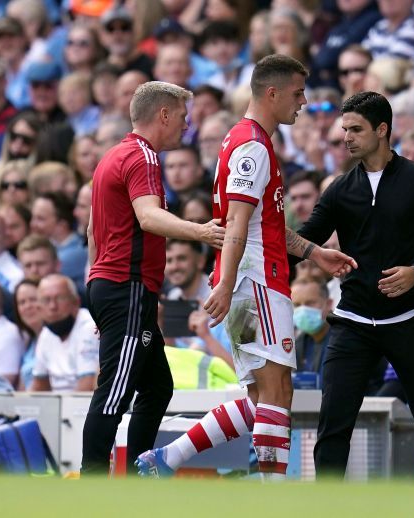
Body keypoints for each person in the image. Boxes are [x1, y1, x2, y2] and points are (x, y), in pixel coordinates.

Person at [136, 56, 354, 480]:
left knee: (260, 397)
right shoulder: (253, 146)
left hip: (249, 278)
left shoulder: (243, 140)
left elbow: (262, 224)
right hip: (257, 281)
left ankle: (168, 458)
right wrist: (230, 281)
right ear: (271, 94)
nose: (303, 102)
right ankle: (271, 495)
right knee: (278, 392)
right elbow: (236, 223)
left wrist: (314, 253)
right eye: (297, 93)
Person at [294, 91, 414, 478]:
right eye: (345, 130)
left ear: (382, 129)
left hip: (412, 319)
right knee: (332, 427)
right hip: (353, 321)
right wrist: (260, 238)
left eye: (356, 129)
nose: (347, 137)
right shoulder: (340, 189)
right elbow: (305, 238)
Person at [79, 80, 224, 476]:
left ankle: (140, 472)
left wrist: (96, 290)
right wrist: (202, 231)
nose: (186, 125)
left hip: (115, 287)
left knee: (157, 387)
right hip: (126, 289)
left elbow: (94, 230)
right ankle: (93, 490)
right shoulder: (143, 157)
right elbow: (147, 217)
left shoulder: (113, 155)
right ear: (162, 114)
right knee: (113, 394)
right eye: (182, 116)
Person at [30, 274, 98, 392]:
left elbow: (87, 387)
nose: (53, 306)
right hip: (57, 406)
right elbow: (39, 387)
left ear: (76, 302)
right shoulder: (46, 334)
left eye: (60, 298)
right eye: (46, 300)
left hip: (81, 407)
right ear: (39, 307)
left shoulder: (89, 328)